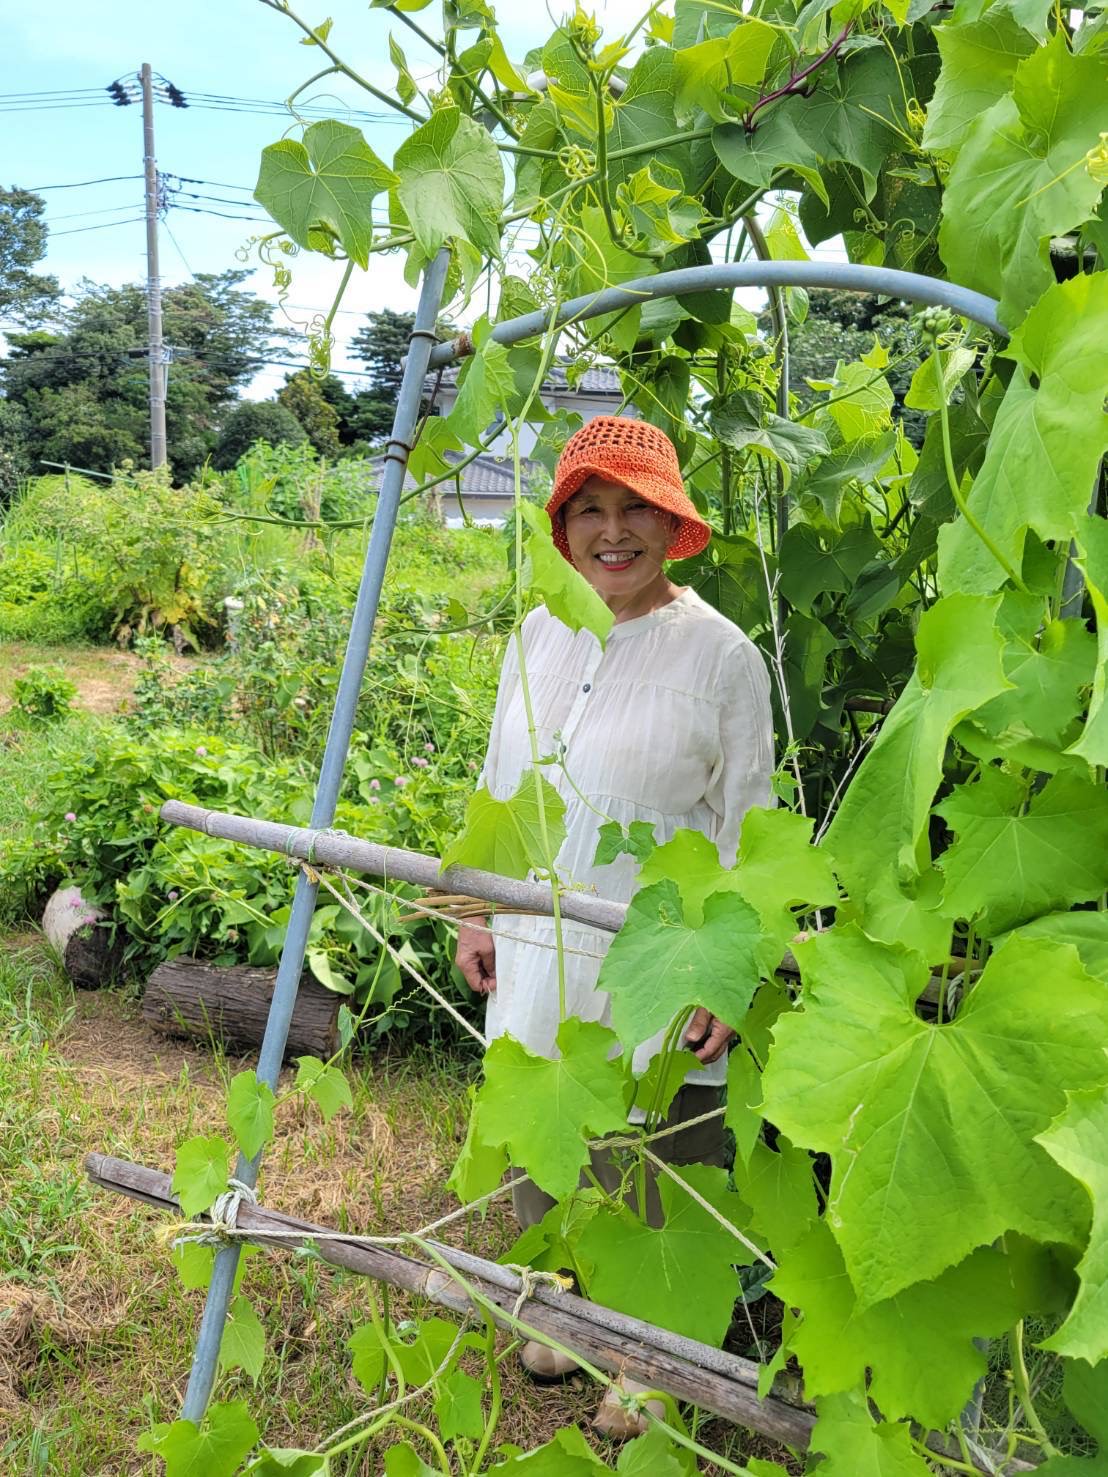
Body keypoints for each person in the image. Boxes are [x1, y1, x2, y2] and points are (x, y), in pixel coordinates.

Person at [454, 415, 774, 1433]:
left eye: (633, 505)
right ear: (562, 526)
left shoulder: (722, 656)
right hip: (537, 941)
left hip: (656, 954)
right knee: (542, 1130)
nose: (611, 530)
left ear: (670, 518)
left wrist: (729, 974)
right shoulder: (537, 631)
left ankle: (645, 1355)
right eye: (588, 508)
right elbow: (497, 786)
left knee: (653, 1155)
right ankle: (560, 1308)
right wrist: (472, 907)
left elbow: (751, 831)